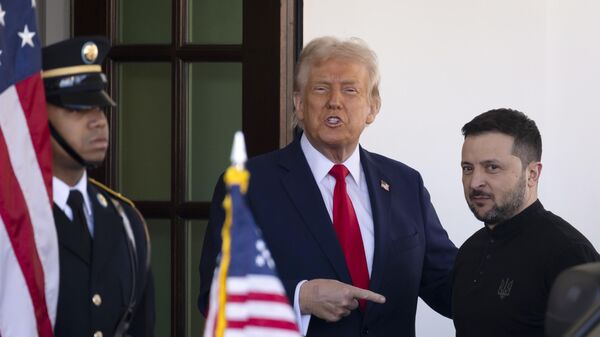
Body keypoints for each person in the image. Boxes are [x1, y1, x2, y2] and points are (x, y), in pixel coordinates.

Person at [199, 36, 457, 337]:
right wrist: (301, 298)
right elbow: (215, 295)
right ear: (299, 104)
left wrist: (513, 246)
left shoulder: (405, 183)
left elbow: (448, 284)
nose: (335, 101)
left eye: (350, 90)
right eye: (321, 88)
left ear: (372, 107)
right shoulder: (250, 185)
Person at [42, 36, 155, 337]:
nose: (98, 122)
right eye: (78, 110)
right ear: (37, 117)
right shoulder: (13, 221)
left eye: (99, 108)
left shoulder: (126, 222)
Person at [452, 108, 600, 337]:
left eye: (492, 167)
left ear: (532, 174)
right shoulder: (469, 251)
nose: (475, 182)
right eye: (467, 168)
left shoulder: (569, 253)